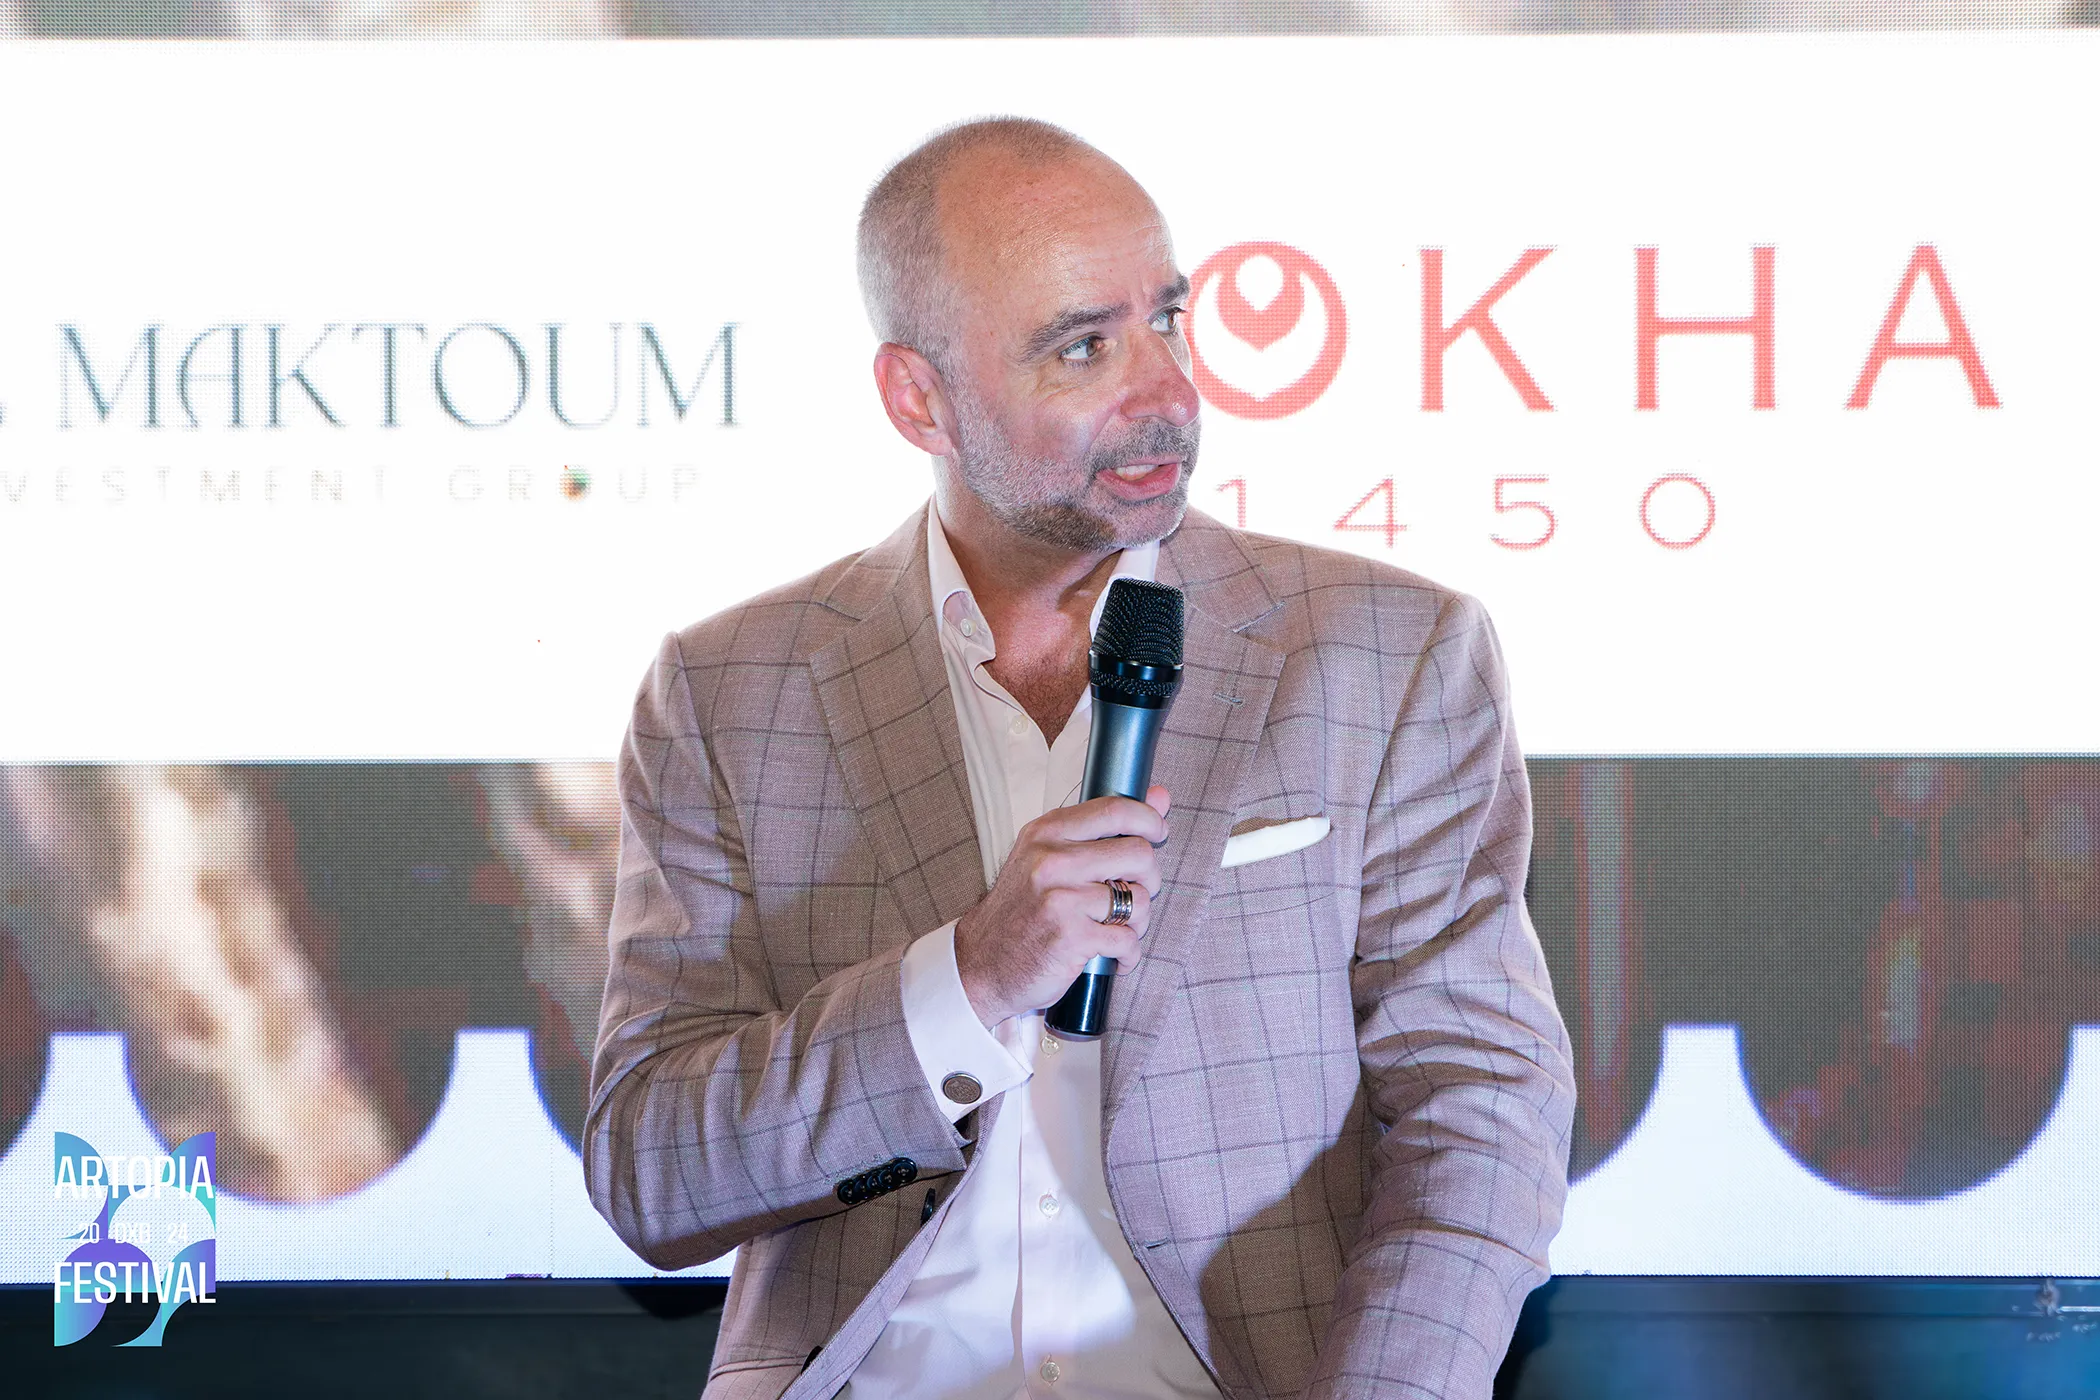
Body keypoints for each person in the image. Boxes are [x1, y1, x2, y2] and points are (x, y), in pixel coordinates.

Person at [584, 117, 1575, 1400]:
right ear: (919, 399)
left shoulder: (1386, 652)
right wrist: (966, 980)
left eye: (1168, 319)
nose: (1167, 392)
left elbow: (1482, 1115)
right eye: (1083, 346)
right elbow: (651, 1172)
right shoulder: (731, 688)